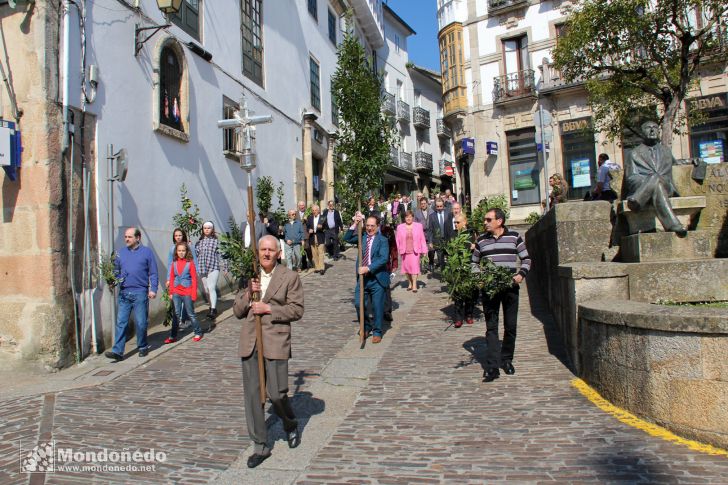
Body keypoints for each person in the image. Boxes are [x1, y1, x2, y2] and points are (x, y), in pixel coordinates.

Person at [233, 235, 304, 468]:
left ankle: (290, 423)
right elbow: (237, 310)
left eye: (270, 250)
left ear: (278, 253)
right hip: (251, 342)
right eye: (262, 249)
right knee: (253, 397)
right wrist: (247, 293)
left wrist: (269, 308)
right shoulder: (250, 277)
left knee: (277, 394)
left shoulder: (290, 277)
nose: (266, 253)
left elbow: (296, 310)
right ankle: (260, 446)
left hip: (275, 341)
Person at [472, 208, 531, 383]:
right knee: (491, 327)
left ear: (499, 221)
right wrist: (478, 278)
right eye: (485, 220)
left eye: (488, 219)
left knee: (510, 326)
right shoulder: (481, 241)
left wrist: (520, 275)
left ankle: (506, 360)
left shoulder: (514, 237)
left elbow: (526, 259)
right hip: (490, 289)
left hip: (510, 288)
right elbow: (473, 263)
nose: (485, 222)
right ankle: (491, 367)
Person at [624, 121, 692, 235]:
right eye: (648, 128)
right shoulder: (634, 153)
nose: (652, 130)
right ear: (642, 132)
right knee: (656, 182)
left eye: (655, 127)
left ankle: (637, 200)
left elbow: (676, 163)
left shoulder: (666, 151)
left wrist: (693, 161)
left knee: (656, 179)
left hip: (667, 187)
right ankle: (673, 224)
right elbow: (631, 178)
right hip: (648, 187)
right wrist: (647, 181)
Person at [105, 227, 158, 361]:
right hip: (124, 292)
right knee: (121, 322)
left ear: (138, 238)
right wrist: (112, 281)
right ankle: (118, 351)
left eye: (130, 237)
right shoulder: (120, 253)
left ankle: (142, 346)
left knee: (141, 322)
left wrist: (153, 289)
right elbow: (116, 271)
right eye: (125, 237)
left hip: (140, 292)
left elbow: (153, 273)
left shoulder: (147, 253)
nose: (127, 239)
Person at [344, 213, 390, 343]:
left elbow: (383, 258)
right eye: (368, 225)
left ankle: (377, 331)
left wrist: (368, 268)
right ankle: (366, 326)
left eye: (372, 226)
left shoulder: (383, 240)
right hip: (363, 279)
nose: (369, 228)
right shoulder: (361, 237)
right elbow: (346, 238)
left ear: (378, 226)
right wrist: (355, 224)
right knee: (359, 304)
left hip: (377, 278)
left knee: (377, 306)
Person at [165, 242, 204, 343]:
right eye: (179, 251)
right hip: (176, 292)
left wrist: (194, 294)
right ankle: (173, 336)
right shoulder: (174, 263)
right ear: (176, 252)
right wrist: (171, 292)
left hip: (187, 291)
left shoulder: (190, 263)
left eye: (183, 250)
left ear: (186, 251)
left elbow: (194, 279)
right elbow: (172, 278)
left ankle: (198, 332)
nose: (181, 253)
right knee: (176, 314)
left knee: (191, 314)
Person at [166, 228, 198, 329]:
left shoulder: (189, 247)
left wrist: (194, 275)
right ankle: (179, 322)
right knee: (178, 304)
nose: (178, 237)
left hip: (187, 278)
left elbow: (194, 260)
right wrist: (168, 279)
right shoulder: (172, 249)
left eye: (180, 235)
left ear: (183, 235)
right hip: (176, 280)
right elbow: (170, 264)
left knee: (187, 302)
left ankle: (186, 319)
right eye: (176, 236)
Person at [451, 213, 477, 328]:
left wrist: (474, 246)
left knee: (470, 293)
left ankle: (469, 315)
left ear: (465, 222)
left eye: (458, 222)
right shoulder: (453, 234)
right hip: (457, 267)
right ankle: (458, 318)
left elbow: (478, 247)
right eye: (455, 222)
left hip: (470, 265)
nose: (456, 224)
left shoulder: (472, 234)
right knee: (458, 293)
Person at [195, 221, 225, 320]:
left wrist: (225, 266)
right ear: (202, 230)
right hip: (202, 267)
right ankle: (211, 306)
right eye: (205, 228)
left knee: (211, 287)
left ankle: (212, 309)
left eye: (209, 228)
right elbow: (195, 255)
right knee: (206, 289)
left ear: (212, 229)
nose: (207, 229)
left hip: (213, 267)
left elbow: (222, 254)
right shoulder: (199, 243)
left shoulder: (216, 241)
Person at [395, 210, 428, 292]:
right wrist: (397, 250)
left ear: (413, 217)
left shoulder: (419, 226)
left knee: (414, 268)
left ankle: (414, 285)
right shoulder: (400, 227)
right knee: (407, 269)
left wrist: (424, 250)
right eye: (407, 217)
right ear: (404, 218)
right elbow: (397, 240)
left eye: (410, 217)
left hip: (415, 251)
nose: (408, 218)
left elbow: (422, 239)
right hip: (404, 251)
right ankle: (410, 282)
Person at [426, 199, 452, 274]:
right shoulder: (432, 216)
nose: (439, 208)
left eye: (441, 206)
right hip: (437, 241)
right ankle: (443, 274)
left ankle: (450, 273)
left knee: (449, 257)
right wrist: (430, 242)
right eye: (438, 206)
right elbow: (430, 230)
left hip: (448, 240)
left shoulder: (448, 214)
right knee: (441, 259)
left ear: (443, 206)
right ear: (435, 206)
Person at [307, 204, 326, 274]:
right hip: (312, 236)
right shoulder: (310, 218)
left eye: (315, 210)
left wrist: (322, 227)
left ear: (318, 211)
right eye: (313, 210)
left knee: (321, 252)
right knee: (314, 252)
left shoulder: (323, 217)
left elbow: (326, 227)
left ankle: (322, 268)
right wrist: (309, 230)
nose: (314, 211)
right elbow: (307, 227)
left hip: (320, 236)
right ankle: (317, 267)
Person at [296, 201, 312, 270]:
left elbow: (311, 223)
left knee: (308, 249)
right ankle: (304, 264)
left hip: (306, 234)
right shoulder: (295, 214)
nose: (302, 207)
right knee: (301, 251)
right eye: (300, 205)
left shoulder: (308, 213)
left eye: (303, 205)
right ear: (298, 206)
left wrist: (307, 219)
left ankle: (311, 261)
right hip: (299, 235)